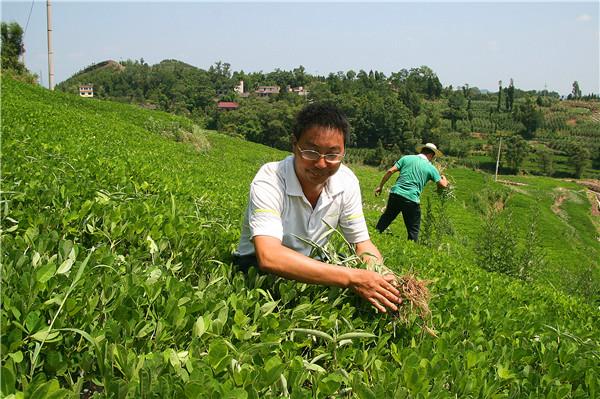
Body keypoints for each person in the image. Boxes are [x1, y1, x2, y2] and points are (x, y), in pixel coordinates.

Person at [234, 103, 402, 313]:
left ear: (344, 153)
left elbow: (361, 244)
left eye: (332, 155)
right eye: (311, 152)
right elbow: (269, 256)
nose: (321, 164)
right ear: (294, 145)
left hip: (314, 267)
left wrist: (381, 273)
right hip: (256, 271)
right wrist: (352, 277)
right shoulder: (270, 179)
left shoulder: (346, 182)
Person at [374, 143, 448, 241]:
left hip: (395, 194)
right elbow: (443, 185)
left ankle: (374, 236)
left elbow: (390, 171)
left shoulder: (406, 158)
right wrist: (444, 178)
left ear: (422, 151)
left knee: (386, 218)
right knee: (413, 229)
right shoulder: (431, 168)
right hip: (411, 199)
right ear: (431, 155)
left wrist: (380, 186)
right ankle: (411, 248)